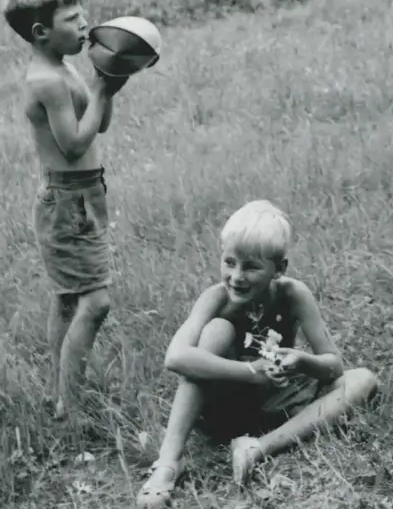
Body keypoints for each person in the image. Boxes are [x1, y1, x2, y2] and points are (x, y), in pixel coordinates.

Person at [137, 200, 378, 507]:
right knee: (217, 330)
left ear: (280, 268)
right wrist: (253, 371)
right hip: (223, 407)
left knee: (363, 379)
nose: (236, 276)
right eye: (229, 262)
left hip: (278, 403)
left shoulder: (293, 295)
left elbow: (333, 366)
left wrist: (302, 361)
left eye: (251, 267)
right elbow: (176, 357)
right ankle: (169, 462)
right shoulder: (215, 298)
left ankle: (258, 448)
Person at [3, 0, 127, 420]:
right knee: (96, 302)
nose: (84, 24)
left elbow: (99, 124)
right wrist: (100, 90)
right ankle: (71, 407)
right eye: (72, 19)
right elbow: (73, 144)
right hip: (67, 200)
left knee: (68, 298)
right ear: (41, 32)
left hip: (83, 194)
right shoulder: (47, 80)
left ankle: (58, 392)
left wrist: (107, 84)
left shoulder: (64, 66)